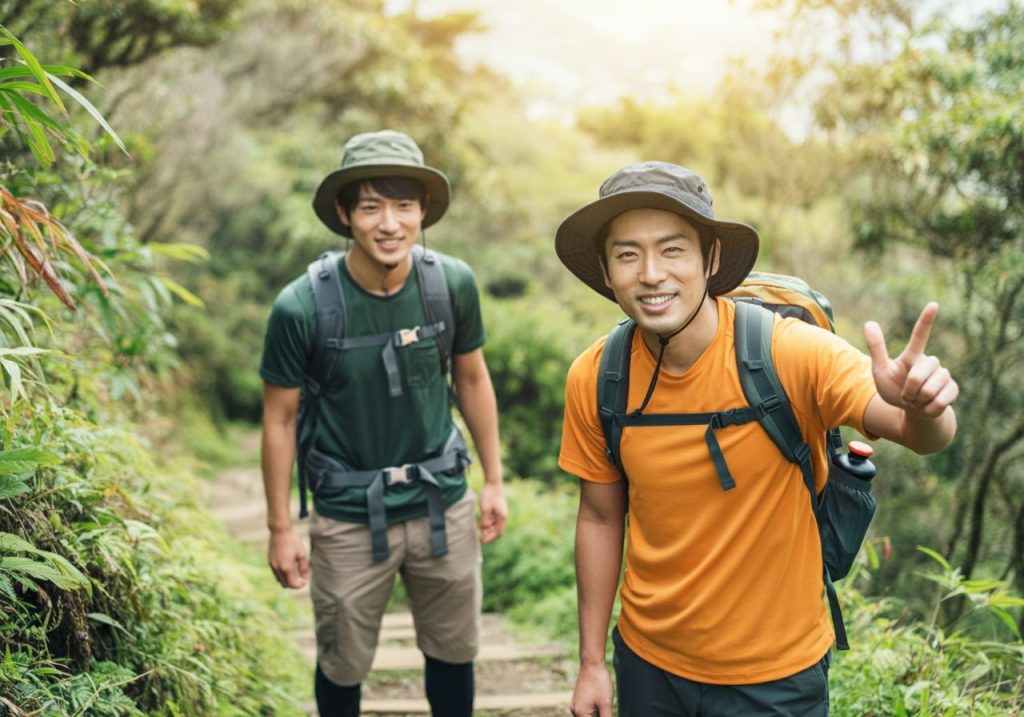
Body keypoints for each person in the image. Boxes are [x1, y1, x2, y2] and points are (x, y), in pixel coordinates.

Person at [555, 161, 958, 716]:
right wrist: (592, 663)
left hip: (776, 675)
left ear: (711, 259)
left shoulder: (786, 353)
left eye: (673, 250)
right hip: (648, 664)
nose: (650, 273)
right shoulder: (599, 376)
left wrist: (926, 406)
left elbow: (919, 435)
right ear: (605, 270)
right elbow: (600, 517)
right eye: (628, 254)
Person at [259, 129, 507, 717]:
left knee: (453, 652)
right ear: (345, 214)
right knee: (342, 662)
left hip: (442, 501)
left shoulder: (450, 285)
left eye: (404, 205)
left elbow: (471, 380)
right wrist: (279, 528)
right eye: (371, 206)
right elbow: (279, 418)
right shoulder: (301, 306)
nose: (389, 223)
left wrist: (492, 480)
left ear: (423, 212)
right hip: (347, 515)